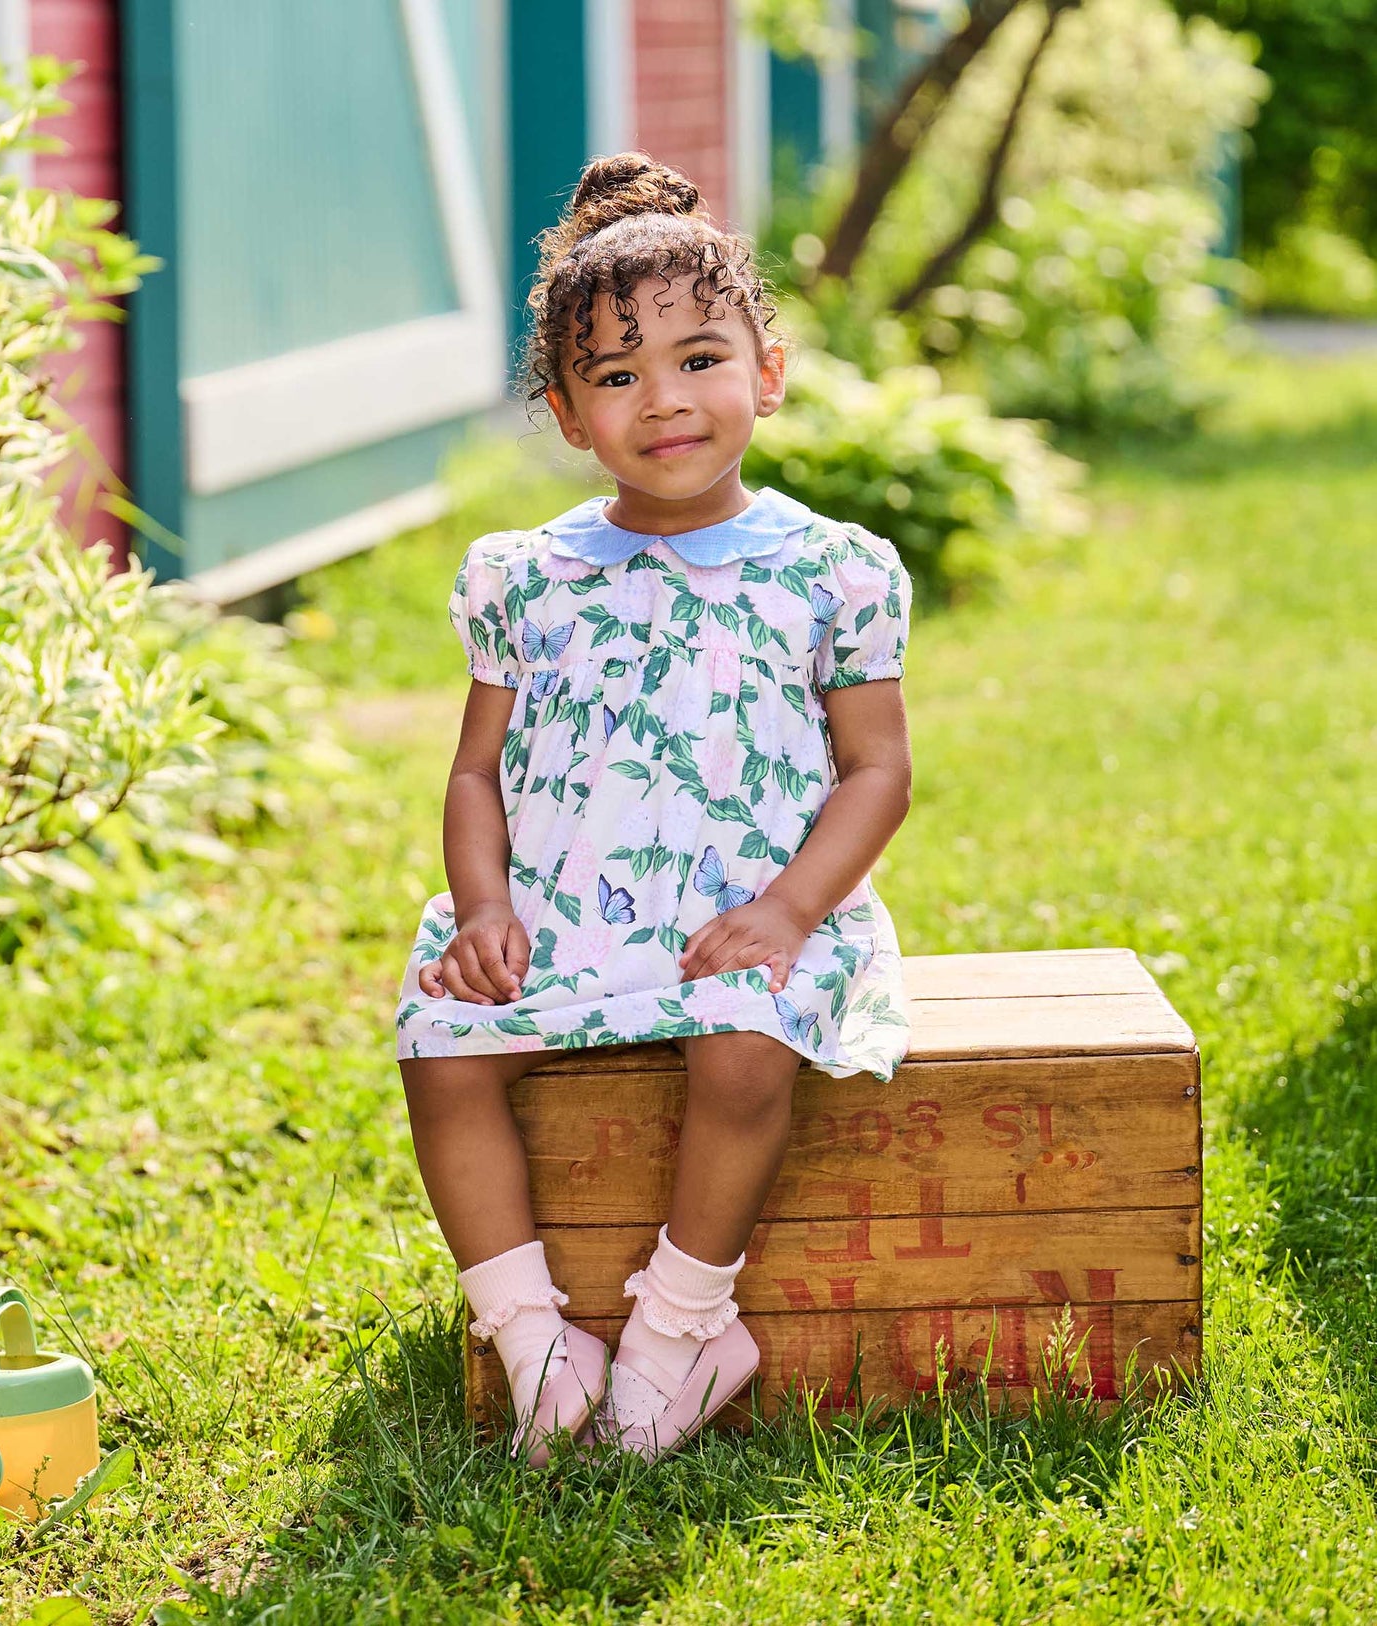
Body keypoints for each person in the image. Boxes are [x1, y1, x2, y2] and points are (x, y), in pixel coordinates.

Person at [394, 151, 914, 1464]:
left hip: (748, 910)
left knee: (741, 1048)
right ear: (568, 415)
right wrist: (482, 907)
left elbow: (875, 770)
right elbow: (473, 771)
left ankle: (684, 1328)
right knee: (442, 1048)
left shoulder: (830, 571)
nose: (662, 400)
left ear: (769, 370)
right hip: (563, 901)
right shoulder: (526, 574)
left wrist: (790, 910)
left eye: (697, 359)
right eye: (616, 377)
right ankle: (535, 1342)